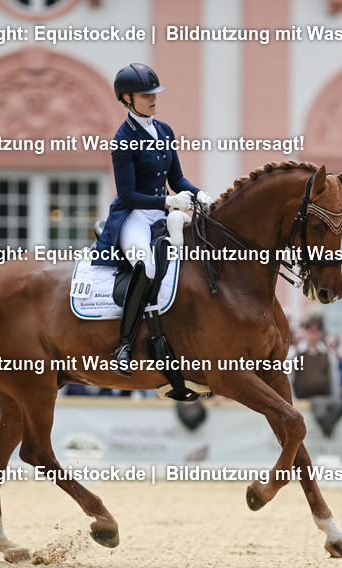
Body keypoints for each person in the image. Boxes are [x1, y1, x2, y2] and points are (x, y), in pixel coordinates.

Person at [91, 63, 209, 376]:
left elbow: (177, 178)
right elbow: (128, 195)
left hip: (163, 214)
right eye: (145, 95)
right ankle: (124, 345)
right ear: (127, 99)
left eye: (154, 93)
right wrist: (168, 201)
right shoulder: (123, 140)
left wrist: (199, 194)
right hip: (135, 217)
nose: (153, 99)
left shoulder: (164, 131)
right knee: (147, 266)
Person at [289, 313, 340, 399]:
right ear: (306, 331)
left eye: (317, 331)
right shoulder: (294, 353)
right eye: (311, 331)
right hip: (301, 401)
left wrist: (335, 399)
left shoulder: (329, 355)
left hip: (323, 401)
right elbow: (289, 378)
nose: (314, 335)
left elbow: (334, 380)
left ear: (321, 332)